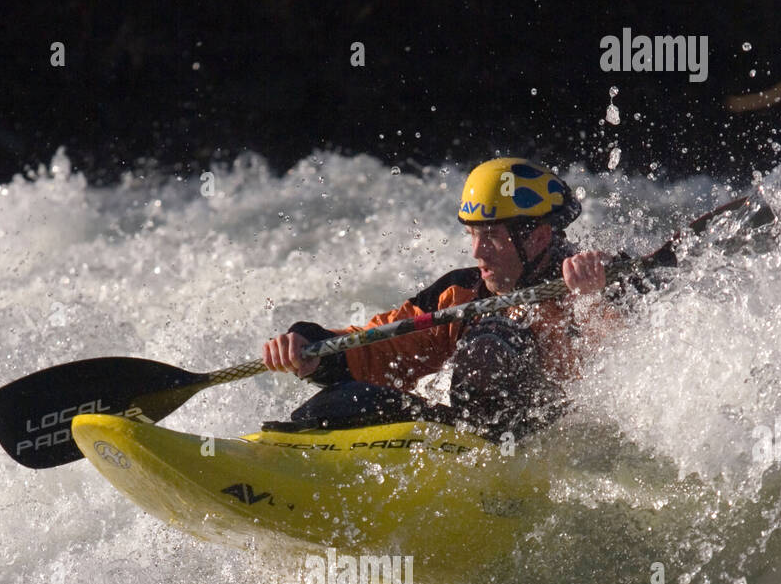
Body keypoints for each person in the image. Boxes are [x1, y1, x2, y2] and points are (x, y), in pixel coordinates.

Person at [261, 157, 615, 442]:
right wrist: (313, 351)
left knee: (491, 345)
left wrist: (592, 303)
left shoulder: (598, 283)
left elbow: (623, 369)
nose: (477, 251)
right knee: (340, 403)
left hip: (549, 445)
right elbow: (383, 348)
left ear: (538, 237)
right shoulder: (458, 293)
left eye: (491, 235)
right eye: (473, 233)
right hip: (468, 440)